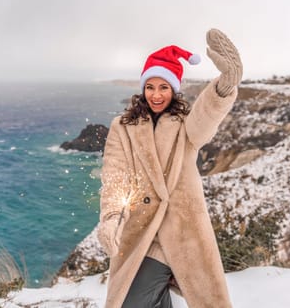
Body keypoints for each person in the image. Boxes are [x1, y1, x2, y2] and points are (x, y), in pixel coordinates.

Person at [97, 28, 242, 308]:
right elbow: (115, 174)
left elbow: (205, 120)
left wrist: (225, 85)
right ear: (142, 89)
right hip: (141, 232)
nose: (156, 94)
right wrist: (112, 216)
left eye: (163, 87)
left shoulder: (185, 124)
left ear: (174, 89)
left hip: (182, 232)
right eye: (150, 87)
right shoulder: (122, 127)